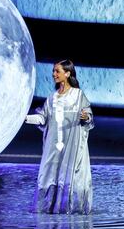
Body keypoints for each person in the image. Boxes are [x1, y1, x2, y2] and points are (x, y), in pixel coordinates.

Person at [24, 59, 94, 214]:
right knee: (49, 174)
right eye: (53, 71)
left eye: (57, 71)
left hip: (73, 147)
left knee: (71, 176)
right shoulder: (52, 98)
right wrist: (24, 117)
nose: (54, 74)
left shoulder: (78, 95)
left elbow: (89, 117)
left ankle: (71, 209)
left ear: (67, 73)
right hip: (54, 147)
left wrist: (86, 117)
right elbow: (42, 118)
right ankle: (50, 208)